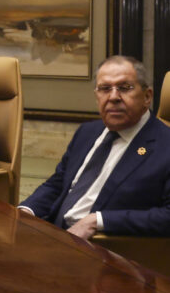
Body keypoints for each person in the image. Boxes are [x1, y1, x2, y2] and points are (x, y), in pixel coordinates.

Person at [19, 56, 170, 238]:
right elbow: (58, 184)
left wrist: (98, 221)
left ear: (147, 97)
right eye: (105, 89)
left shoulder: (164, 145)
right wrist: (27, 211)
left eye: (124, 88)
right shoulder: (87, 132)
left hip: (104, 250)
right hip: (54, 236)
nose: (113, 97)